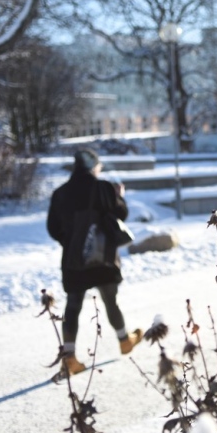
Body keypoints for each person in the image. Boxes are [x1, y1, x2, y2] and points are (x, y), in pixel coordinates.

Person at [47, 149, 142, 375]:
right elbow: (122, 214)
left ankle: (70, 358)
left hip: (74, 259)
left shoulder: (60, 193)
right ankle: (124, 340)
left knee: (73, 306)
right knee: (111, 300)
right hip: (104, 258)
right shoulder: (105, 188)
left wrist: (72, 241)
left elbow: (52, 228)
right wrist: (119, 195)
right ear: (93, 166)